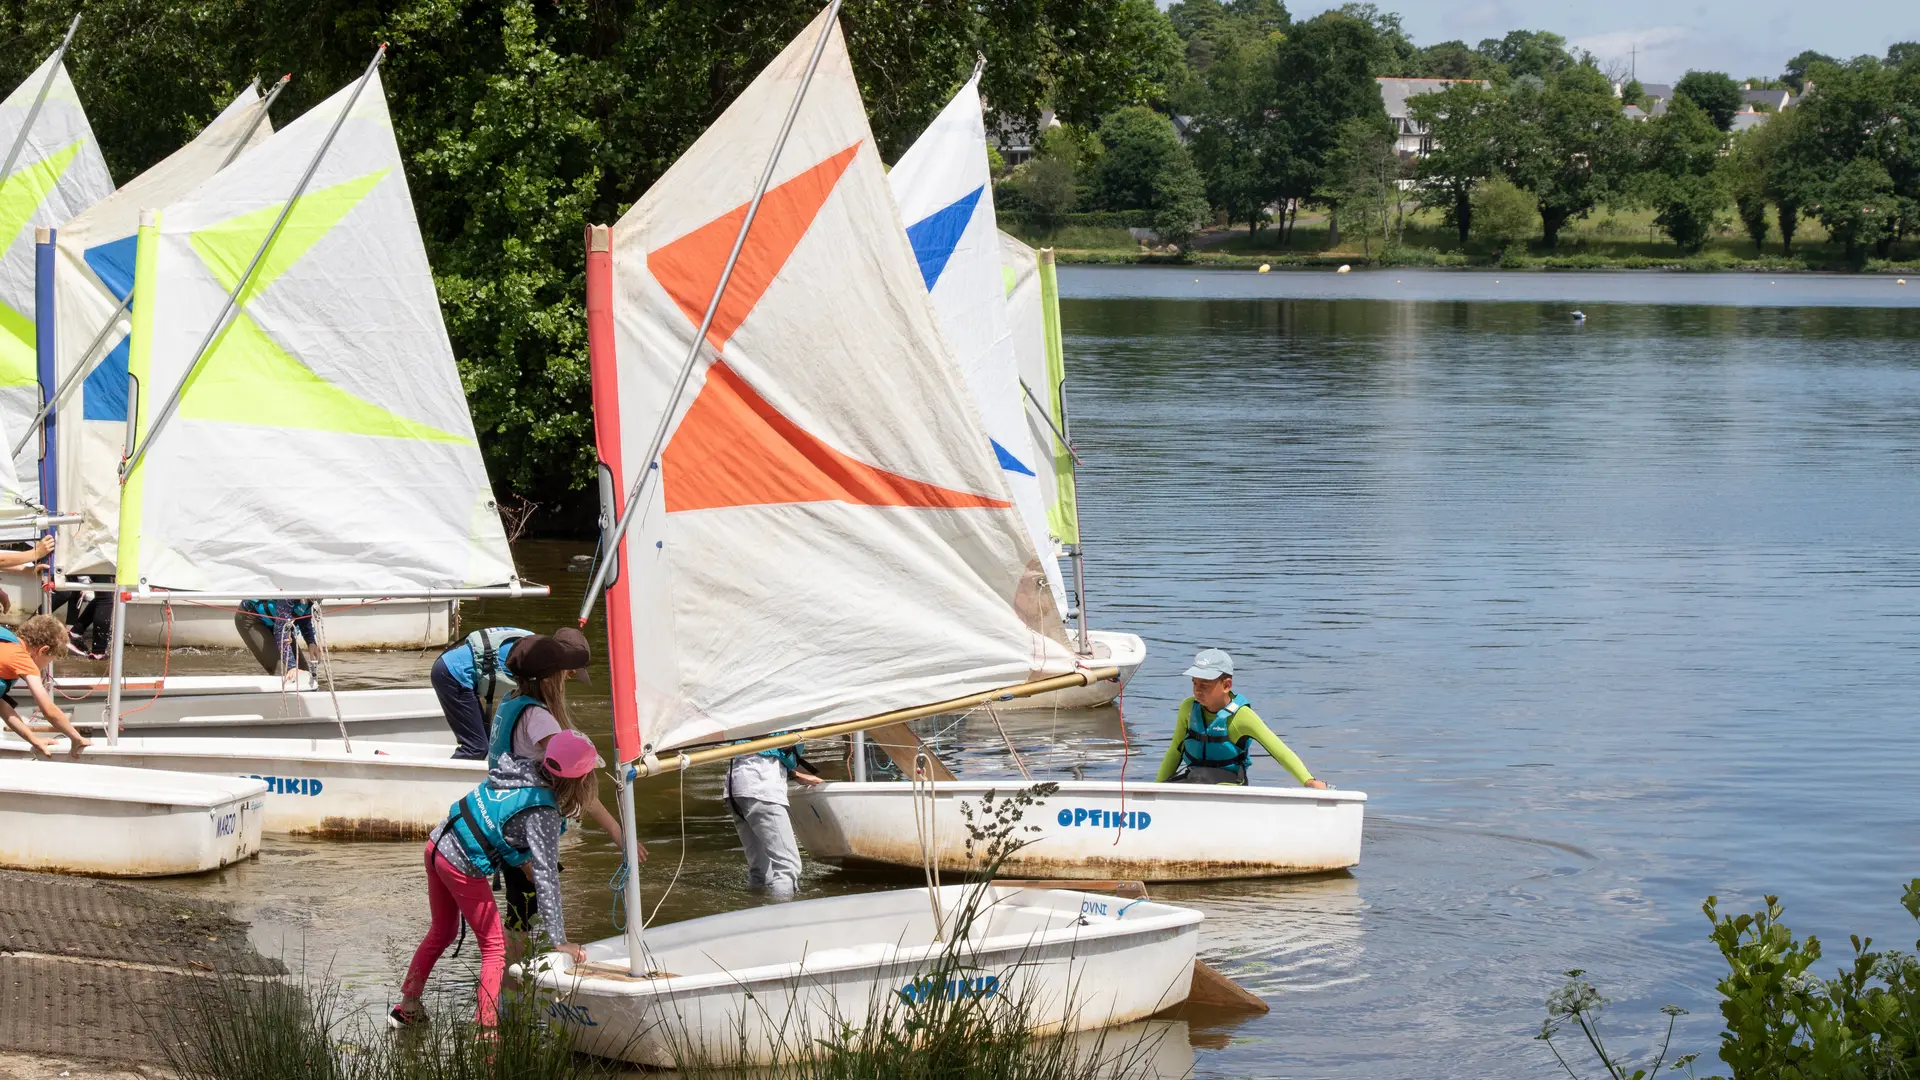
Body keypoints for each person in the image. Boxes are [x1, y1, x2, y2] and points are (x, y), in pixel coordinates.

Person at [391, 728, 601, 1031]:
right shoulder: (545, 813)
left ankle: (407, 1006)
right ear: (582, 779)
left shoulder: (519, 768)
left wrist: (519, 860)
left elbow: (496, 820)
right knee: (495, 948)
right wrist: (559, 941)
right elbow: (547, 880)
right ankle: (488, 1032)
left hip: (437, 844)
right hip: (461, 865)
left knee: (441, 931)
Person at [486, 627, 641, 961]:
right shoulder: (540, 719)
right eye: (564, 673)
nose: (568, 677)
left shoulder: (510, 702)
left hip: (503, 820)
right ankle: (517, 989)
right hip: (526, 829)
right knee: (524, 915)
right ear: (550, 678)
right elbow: (578, 785)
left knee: (519, 916)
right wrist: (618, 832)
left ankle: (512, 995)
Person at [1155, 648, 1330, 789]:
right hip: (1195, 780)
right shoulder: (1187, 708)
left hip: (1231, 783)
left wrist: (1308, 781)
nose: (1197, 690)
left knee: (1198, 777)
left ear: (1226, 685)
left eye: (1205, 685)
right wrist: (1156, 788)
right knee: (1177, 784)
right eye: (1194, 683)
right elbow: (1174, 751)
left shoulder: (1242, 716)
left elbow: (1279, 751)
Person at [723, 741, 823, 899]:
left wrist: (795, 775)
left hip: (736, 787)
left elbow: (763, 750)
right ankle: (783, 918)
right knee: (787, 868)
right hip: (762, 787)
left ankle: (754, 912)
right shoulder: (791, 720)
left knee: (760, 871)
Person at [430, 625, 533, 759]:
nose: (570, 675)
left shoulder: (533, 645)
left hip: (451, 665)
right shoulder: (537, 664)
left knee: (489, 743)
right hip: (453, 674)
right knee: (476, 747)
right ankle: (444, 778)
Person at [0, 614, 93, 758]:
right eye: (49, 661)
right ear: (42, 650)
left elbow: (3, 707)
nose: (46, 667)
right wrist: (76, 738)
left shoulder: (5, 640)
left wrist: (33, 739)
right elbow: (48, 709)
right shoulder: (21, 659)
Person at [234, 598, 315, 679]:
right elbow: (280, 631)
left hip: (278, 623)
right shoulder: (289, 594)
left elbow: (304, 615)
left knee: (304, 673)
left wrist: (311, 642)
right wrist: (292, 666)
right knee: (284, 672)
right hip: (252, 618)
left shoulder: (314, 595)